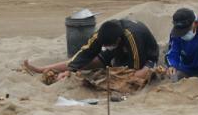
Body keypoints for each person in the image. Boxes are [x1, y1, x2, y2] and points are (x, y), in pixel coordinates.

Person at [23, 18, 159, 84]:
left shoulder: (132, 36)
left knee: (136, 76)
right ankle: (42, 69)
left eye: (109, 45)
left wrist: (113, 74)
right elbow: (84, 53)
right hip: (118, 52)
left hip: (146, 56)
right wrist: (71, 70)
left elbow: (135, 66)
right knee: (87, 61)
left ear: (118, 40)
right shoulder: (101, 34)